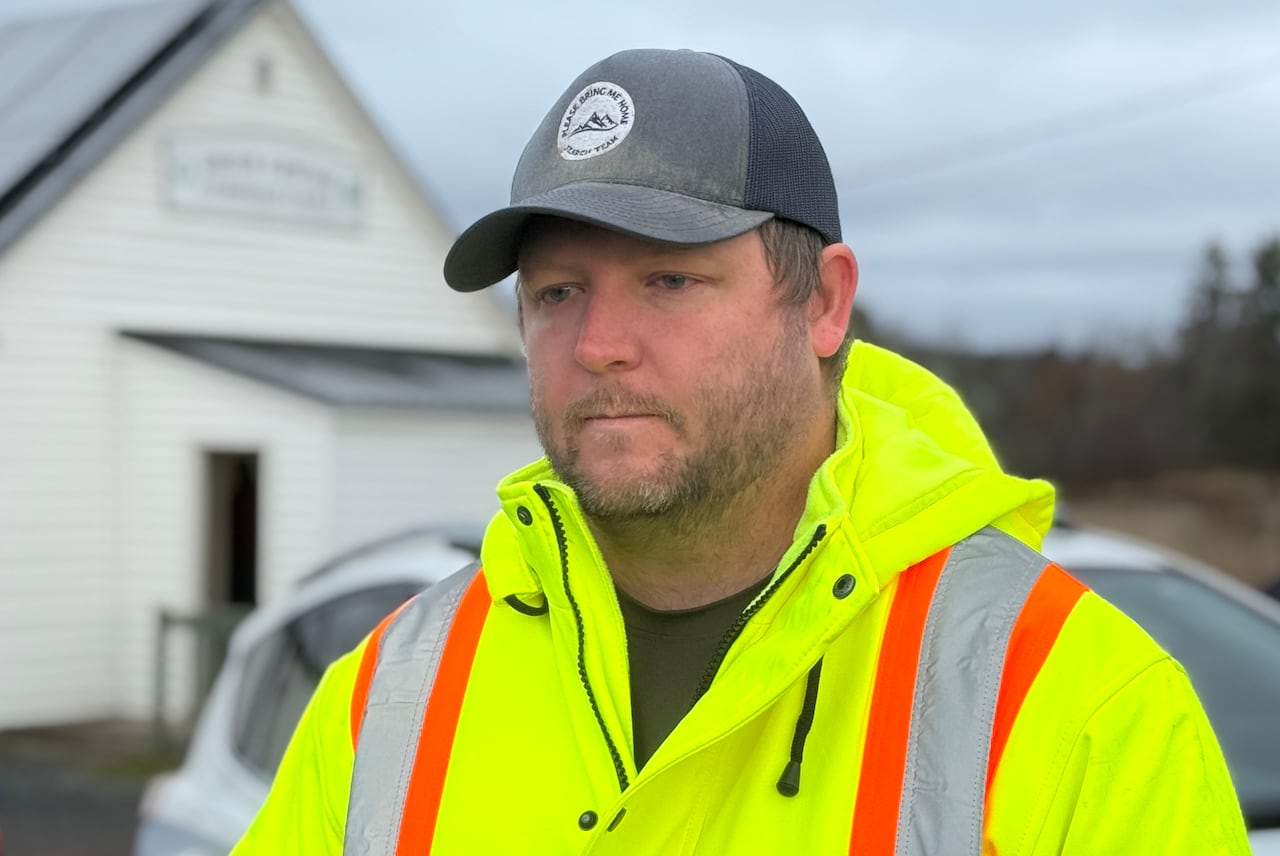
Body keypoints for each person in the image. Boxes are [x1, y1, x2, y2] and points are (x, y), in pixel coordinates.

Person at [233, 49, 1250, 855]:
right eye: (555, 292)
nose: (597, 343)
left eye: (668, 281)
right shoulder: (387, 698)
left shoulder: (1070, 698)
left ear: (821, 302)